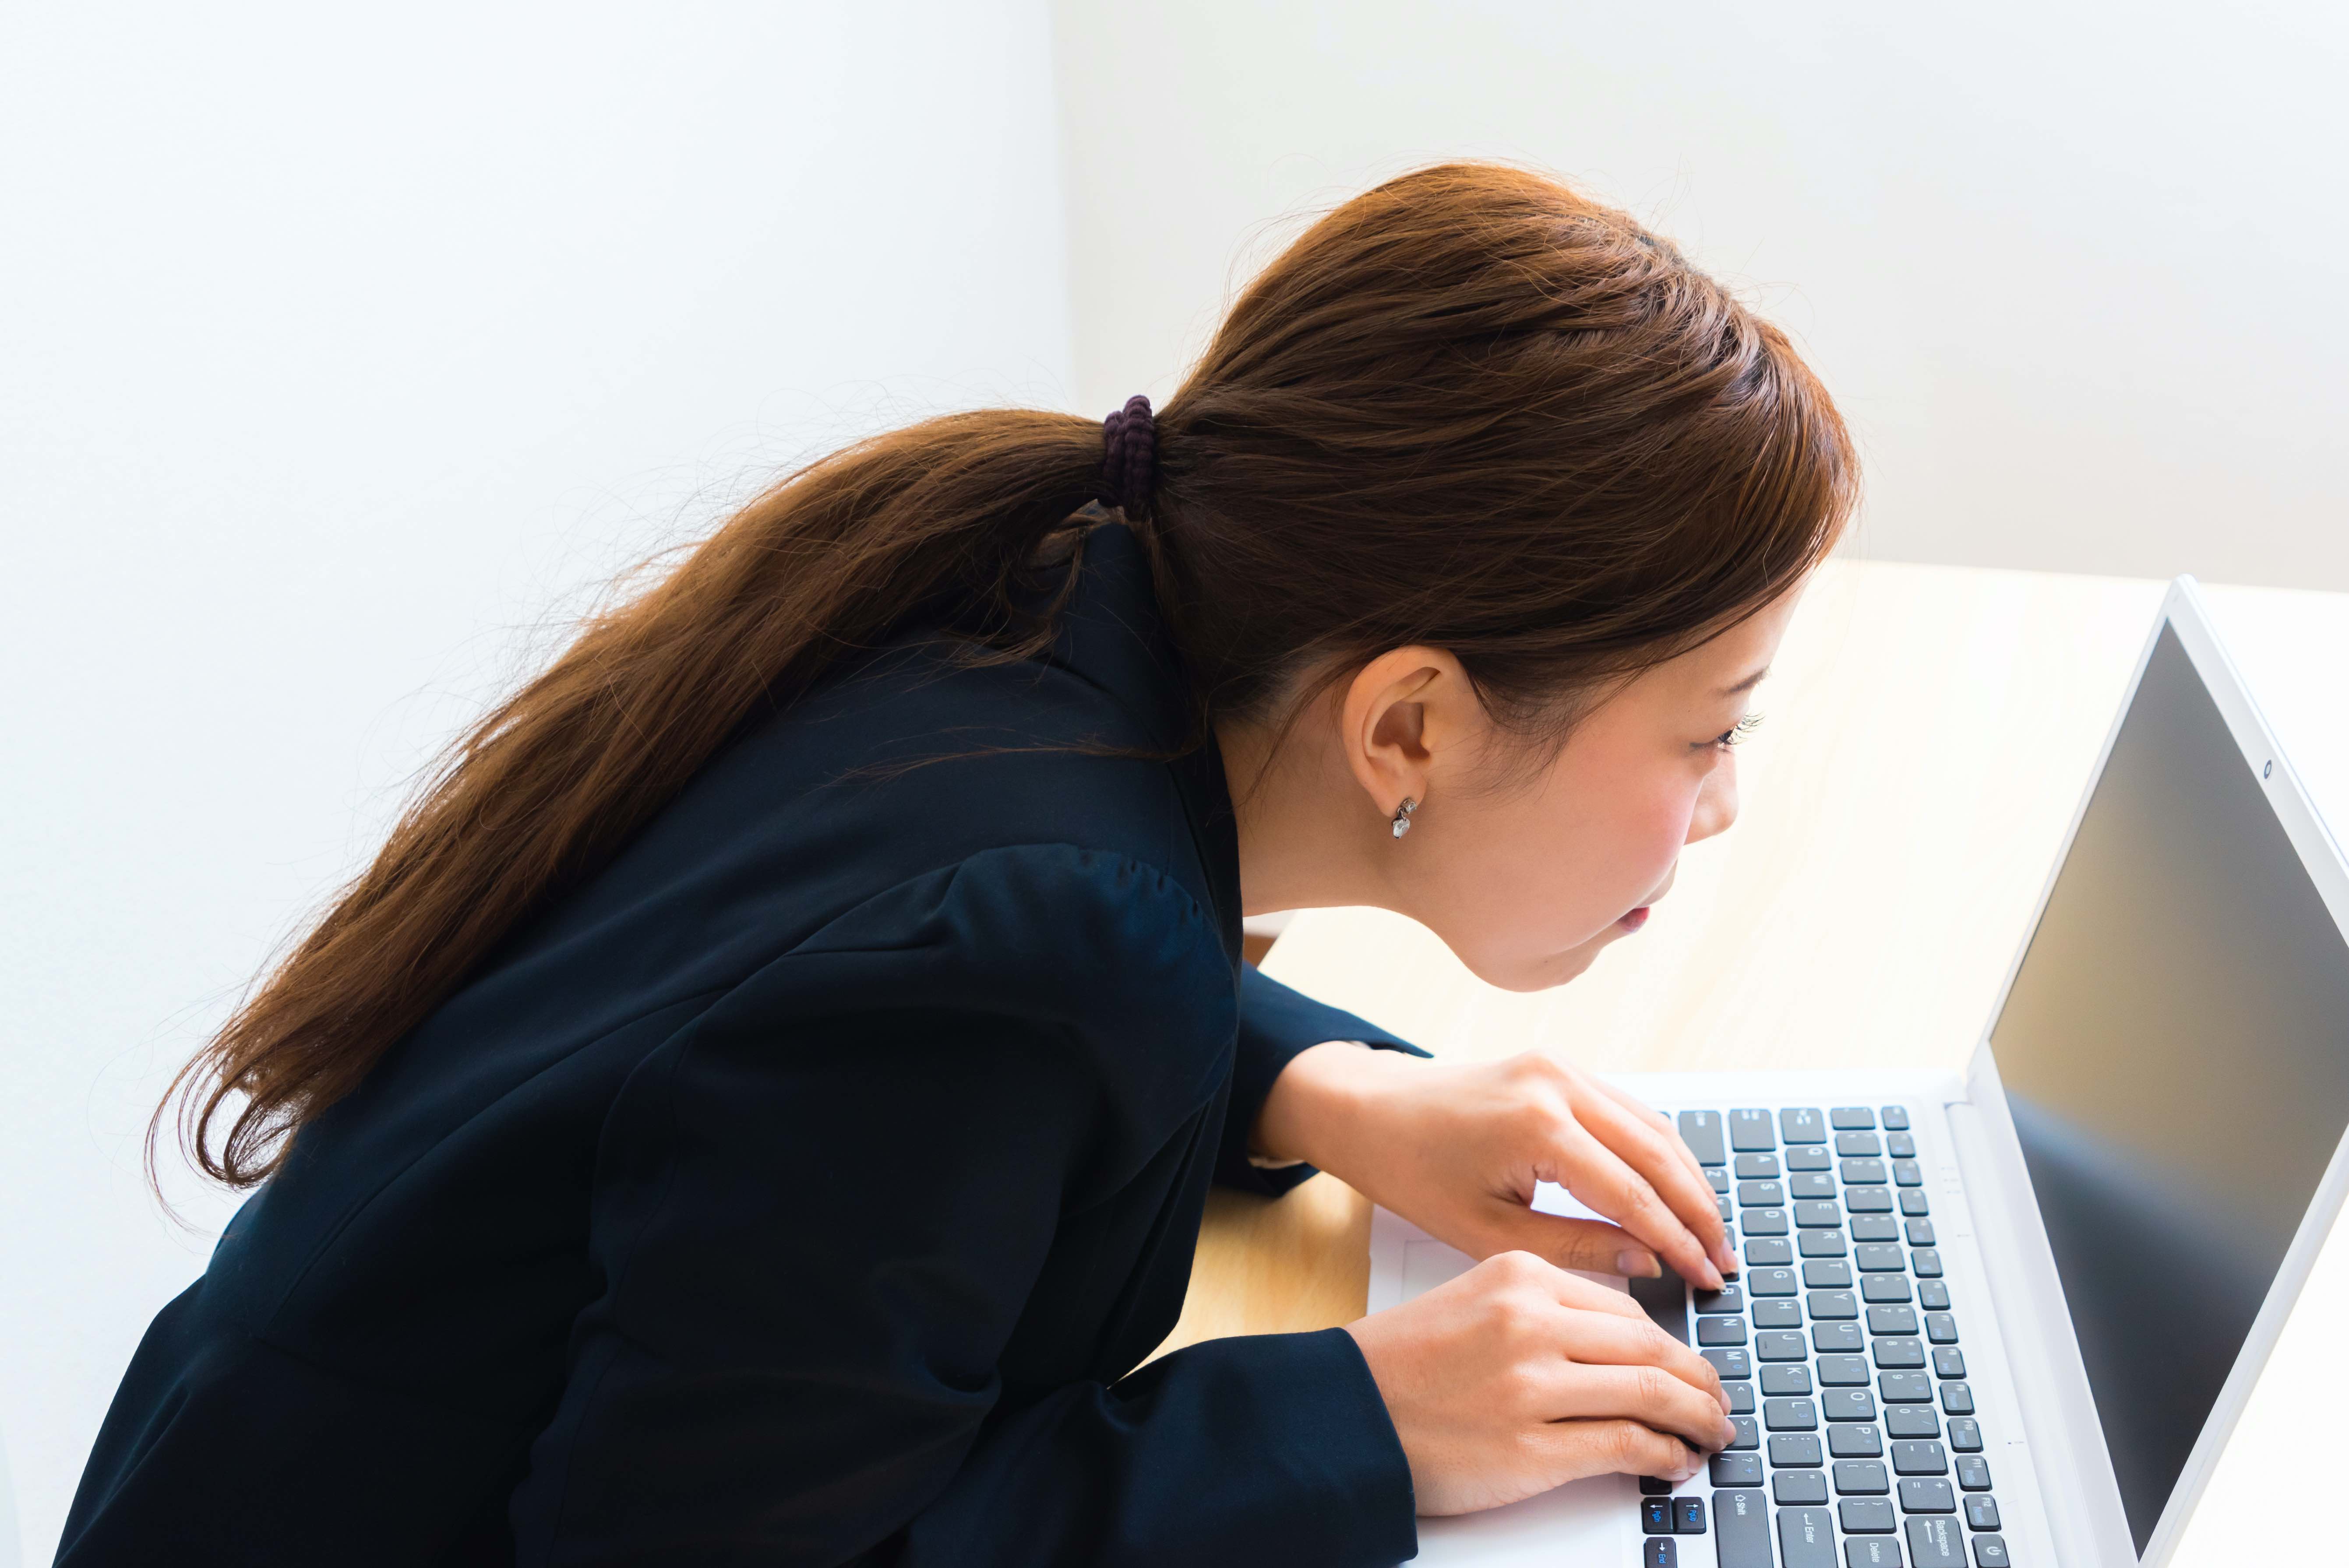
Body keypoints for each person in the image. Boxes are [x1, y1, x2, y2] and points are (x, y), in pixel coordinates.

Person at [59, 162, 1855, 1566]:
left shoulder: (1047, 610)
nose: (1719, 813)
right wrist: (1359, 1419)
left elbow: (879, 987)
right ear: (1408, 728)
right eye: (1710, 734)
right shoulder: (1043, 939)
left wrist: (1316, 1084)